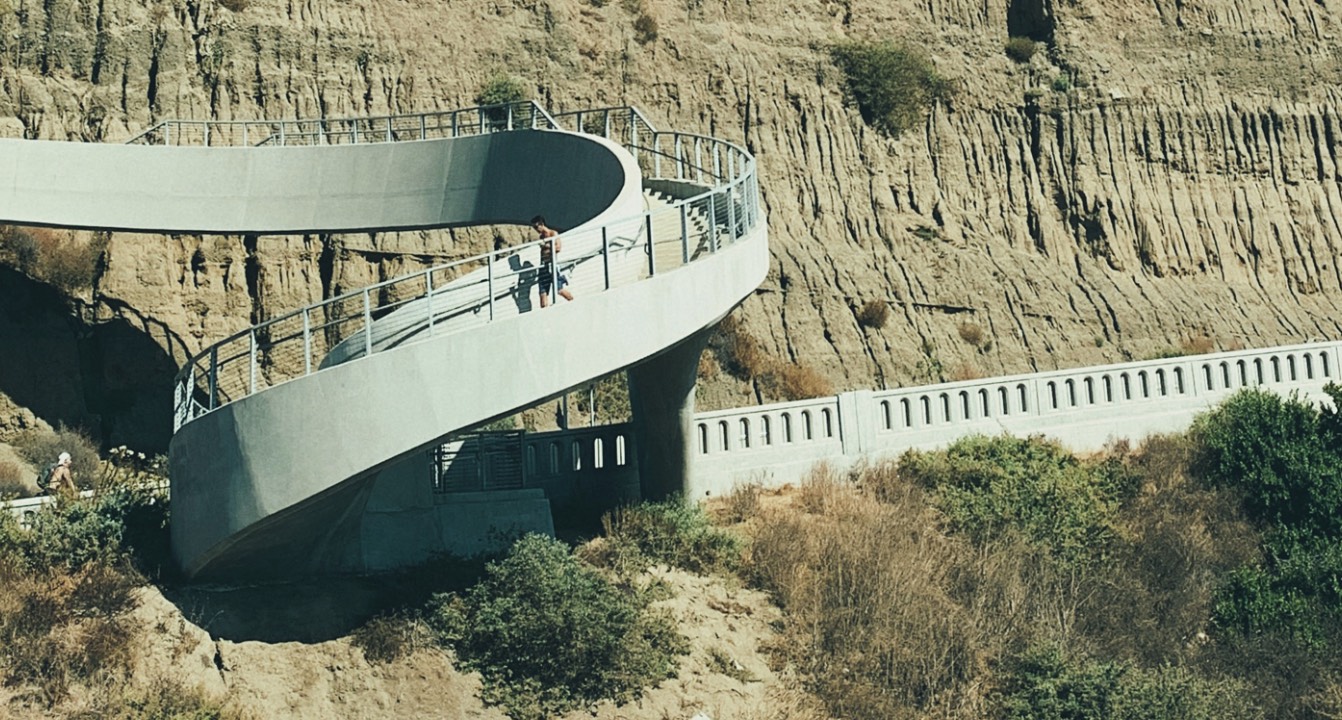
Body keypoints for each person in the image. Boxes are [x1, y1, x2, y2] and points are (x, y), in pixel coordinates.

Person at [532, 215, 574, 308]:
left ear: (541, 224)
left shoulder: (553, 233)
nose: (536, 230)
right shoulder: (541, 237)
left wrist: (547, 246)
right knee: (542, 294)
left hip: (552, 265)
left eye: (536, 227)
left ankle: (573, 301)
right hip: (543, 266)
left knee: (559, 289)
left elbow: (558, 248)